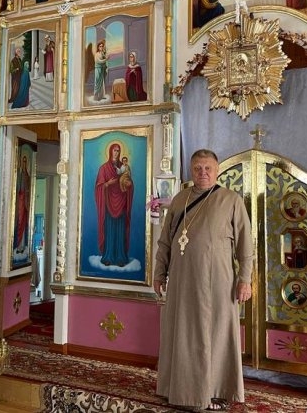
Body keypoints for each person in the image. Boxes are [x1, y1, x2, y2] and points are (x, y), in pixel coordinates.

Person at [153, 149, 254, 411]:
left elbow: (245, 246)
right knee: (181, 333)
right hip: (181, 281)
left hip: (217, 282)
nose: (203, 173)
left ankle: (216, 391)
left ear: (217, 170)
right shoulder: (180, 199)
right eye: (198, 168)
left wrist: (245, 279)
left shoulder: (231, 200)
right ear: (191, 170)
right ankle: (174, 389)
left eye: (208, 168)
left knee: (215, 335)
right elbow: (165, 241)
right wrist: (159, 272)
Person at [94, 143, 134, 266]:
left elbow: (129, 182)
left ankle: (120, 257)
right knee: (109, 230)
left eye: (118, 150)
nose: (116, 152)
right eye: (114, 150)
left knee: (120, 231)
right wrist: (107, 184)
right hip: (108, 205)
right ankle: (108, 257)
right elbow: (98, 187)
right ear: (110, 151)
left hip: (121, 203)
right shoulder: (104, 168)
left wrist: (129, 185)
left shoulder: (124, 167)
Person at [15, 154, 31, 252]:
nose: (24, 164)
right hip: (20, 201)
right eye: (23, 161)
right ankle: (18, 245)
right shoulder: (19, 175)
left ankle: (22, 246)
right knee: (19, 222)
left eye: (25, 162)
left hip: (24, 202)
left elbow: (27, 187)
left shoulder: (27, 176)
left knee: (23, 222)